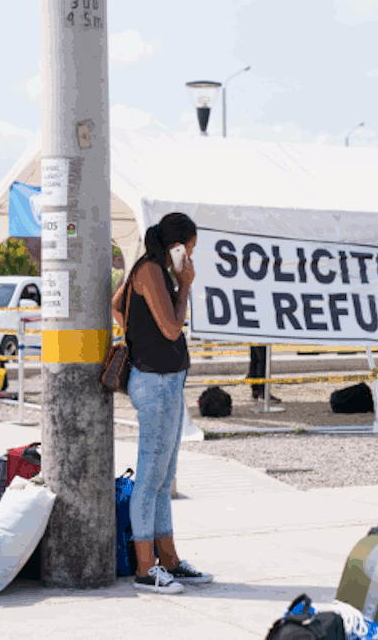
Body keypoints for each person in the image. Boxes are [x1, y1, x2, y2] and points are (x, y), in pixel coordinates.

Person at [110, 212, 213, 595]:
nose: (189, 257)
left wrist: (138, 332)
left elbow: (117, 306)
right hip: (152, 382)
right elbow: (172, 328)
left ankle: (168, 558)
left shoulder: (153, 271)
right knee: (150, 476)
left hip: (166, 379)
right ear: (175, 247)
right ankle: (144, 566)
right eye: (189, 250)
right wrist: (184, 287)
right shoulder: (152, 271)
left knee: (163, 475)